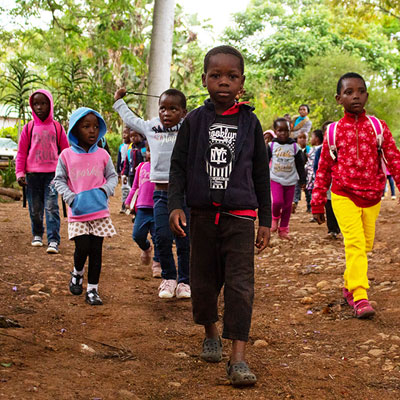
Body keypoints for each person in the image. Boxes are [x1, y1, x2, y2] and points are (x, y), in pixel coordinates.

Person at [168, 45, 271, 387]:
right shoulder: (194, 121)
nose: (223, 82)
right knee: (203, 282)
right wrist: (176, 205)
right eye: (216, 75)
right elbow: (179, 167)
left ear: (242, 82)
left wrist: (266, 220)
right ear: (204, 79)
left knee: (241, 287)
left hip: (240, 218)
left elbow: (260, 173)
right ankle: (210, 332)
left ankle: (238, 358)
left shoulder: (250, 123)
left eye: (231, 76)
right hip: (200, 217)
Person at [311, 72, 400, 319]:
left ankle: (349, 285)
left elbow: (394, 159)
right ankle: (360, 296)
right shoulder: (333, 132)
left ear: (367, 96)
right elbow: (324, 169)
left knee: (365, 245)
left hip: (373, 196)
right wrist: (317, 201)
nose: (355, 96)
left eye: (360, 91)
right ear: (339, 98)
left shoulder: (378, 127)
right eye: (349, 92)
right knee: (355, 244)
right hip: (343, 194)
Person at [113, 87, 191, 299]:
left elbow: (206, 115)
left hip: (184, 195)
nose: (166, 113)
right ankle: (169, 278)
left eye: (173, 109)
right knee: (162, 238)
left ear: (183, 113)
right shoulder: (151, 127)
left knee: (185, 240)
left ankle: (185, 281)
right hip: (161, 194)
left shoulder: (188, 126)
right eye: (162, 108)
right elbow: (130, 119)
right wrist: (119, 101)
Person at [54, 108, 118, 305]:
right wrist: (71, 198)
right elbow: (59, 180)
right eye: (86, 126)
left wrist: (104, 191)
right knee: (82, 248)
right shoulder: (66, 156)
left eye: (96, 126)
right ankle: (77, 272)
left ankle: (92, 290)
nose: (92, 131)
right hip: (78, 212)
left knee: (96, 251)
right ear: (75, 129)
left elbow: (112, 177)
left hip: (99, 212)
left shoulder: (103, 155)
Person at [15, 89, 69, 254]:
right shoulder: (29, 128)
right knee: (35, 207)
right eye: (36, 104)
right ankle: (37, 234)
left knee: (52, 206)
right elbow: (22, 153)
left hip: (53, 175)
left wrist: (66, 173)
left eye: (43, 103)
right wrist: (20, 173)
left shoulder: (57, 128)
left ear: (50, 105)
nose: (39, 107)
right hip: (32, 175)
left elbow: (65, 152)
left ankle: (53, 239)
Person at [125, 145, 161, 278]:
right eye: (149, 150)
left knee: (158, 238)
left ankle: (157, 263)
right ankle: (146, 248)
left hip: (158, 207)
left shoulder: (164, 167)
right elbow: (135, 186)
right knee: (137, 235)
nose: (151, 153)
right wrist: (128, 201)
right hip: (142, 207)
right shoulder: (141, 167)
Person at [268, 118, 306, 239]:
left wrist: (302, 180)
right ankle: (274, 219)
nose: (283, 133)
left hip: (290, 180)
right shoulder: (271, 146)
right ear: (275, 131)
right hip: (275, 178)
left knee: (287, 206)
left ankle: (284, 229)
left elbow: (300, 165)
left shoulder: (295, 147)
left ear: (290, 131)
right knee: (277, 202)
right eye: (280, 130)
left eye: (286, 131)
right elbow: (263, 163)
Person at [313, 121, 340, 239]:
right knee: (329, 205)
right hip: (327, 182)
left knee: (340, 206)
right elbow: (316, 167)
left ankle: (341, 227)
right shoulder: (320, 150)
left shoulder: (340, 146)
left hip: (340, 181)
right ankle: (332, 229)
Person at [306, 129, 323, 217]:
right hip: (310, 177)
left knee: (315, 195)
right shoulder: (312, 150)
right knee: (311, 194)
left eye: (311, 137)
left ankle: (317, 213)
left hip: (316, 177)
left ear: (316, 139)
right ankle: (314, 212)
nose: (310, 139)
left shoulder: (321, 149)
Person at [292, 131, 310, 213]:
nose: (302, 140)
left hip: (308, 173)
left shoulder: (309, 150)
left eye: (304, 138)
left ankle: (310, 206)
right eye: (300, 138)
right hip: (296, 173)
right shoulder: (295, 149)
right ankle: (294, 203)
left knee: (308, 190)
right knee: (296, 189)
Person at [116, 125, 131, 213]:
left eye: (126, 133)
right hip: (123, 171)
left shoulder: (133, 146)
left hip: (132, 171)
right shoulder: (121, 146)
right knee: (124, 188)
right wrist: (118, 171)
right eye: (123, 133)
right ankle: (124, 205)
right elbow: (119, 159)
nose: (124, 135)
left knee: (131, 188)